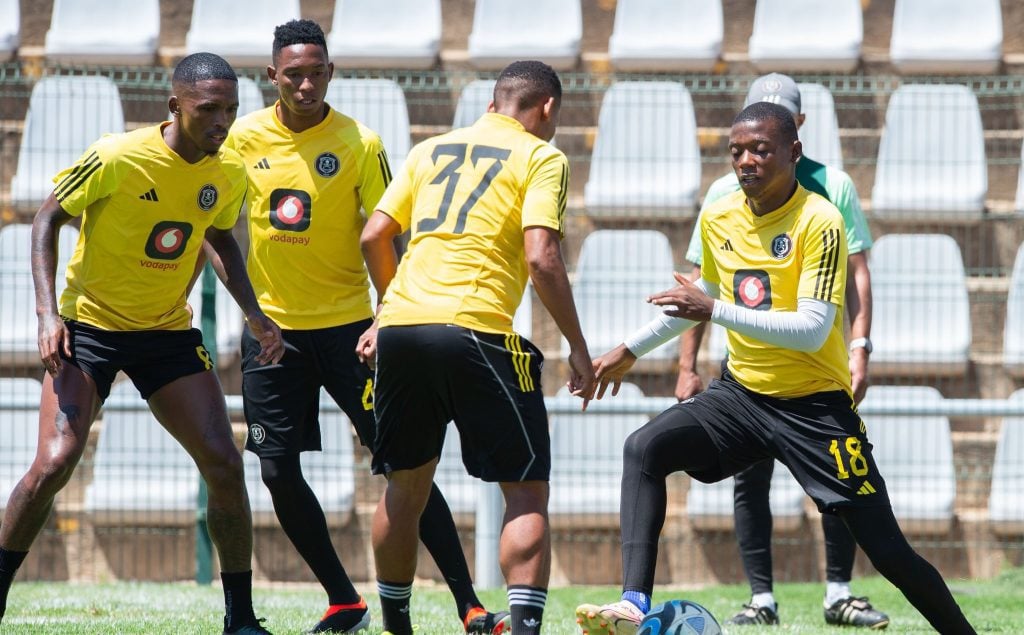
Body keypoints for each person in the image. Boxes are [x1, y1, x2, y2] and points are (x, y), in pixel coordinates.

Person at [575, 101, 976, 635]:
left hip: (815, 407)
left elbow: (811, 327)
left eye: (760, 149)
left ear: (794, 152)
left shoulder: (821, 219)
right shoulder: (719, 214)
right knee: (644, 448)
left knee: (888, 552)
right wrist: (631, 349)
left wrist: (712, 309)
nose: (746, 161)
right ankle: (632, 603)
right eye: (737, 151)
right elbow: (713, 292)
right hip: (741, 396)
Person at [218, 18, 509, 634]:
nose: (305, 84)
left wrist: (387, 317)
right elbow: (214, 229)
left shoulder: (360, 142)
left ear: (331, 72)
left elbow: (388, 238)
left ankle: (469, 603)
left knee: (403, 464)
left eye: (316, 73)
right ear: (272, 76)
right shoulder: (240, 140)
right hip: (272, 337)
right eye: (292, 74)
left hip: (354, 331)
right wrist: (251, 312)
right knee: (275, 470)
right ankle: (344, 600)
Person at [0, 53, 284, 634]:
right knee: (55, 464)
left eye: (231, 110)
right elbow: (46, 221)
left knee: (226, 465)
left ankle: (241, 619)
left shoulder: (226, 171)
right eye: (209, 110)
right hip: (90, 331)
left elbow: (221, 240)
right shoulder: (117, 156)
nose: (222, 122)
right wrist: (47, 315)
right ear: (174, 106)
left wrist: (254, 315)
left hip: (164, 333)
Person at [359, 60, 596, 635]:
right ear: (546, 109)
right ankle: (524, 628)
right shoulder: (543, 157)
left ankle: (397, 627)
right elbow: (541, 256)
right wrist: (580, 350)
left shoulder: (430, 149)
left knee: (405, 485)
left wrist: (391, 310)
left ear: (494, 103)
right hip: (477, 332)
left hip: (402, 330)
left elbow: (374, 235)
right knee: (525, 490)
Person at [675, 73, 883, 628]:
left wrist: (859, 344)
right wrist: (686, 364)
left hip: (815, 360)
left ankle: (839, 592)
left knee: (837, 482)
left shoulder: (830, 188)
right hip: (747, 361)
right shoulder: (724, 191)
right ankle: (761, 597)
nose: (748, 157)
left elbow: (858, 274)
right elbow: (704, 284)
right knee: (751, 480)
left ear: (797, 130)